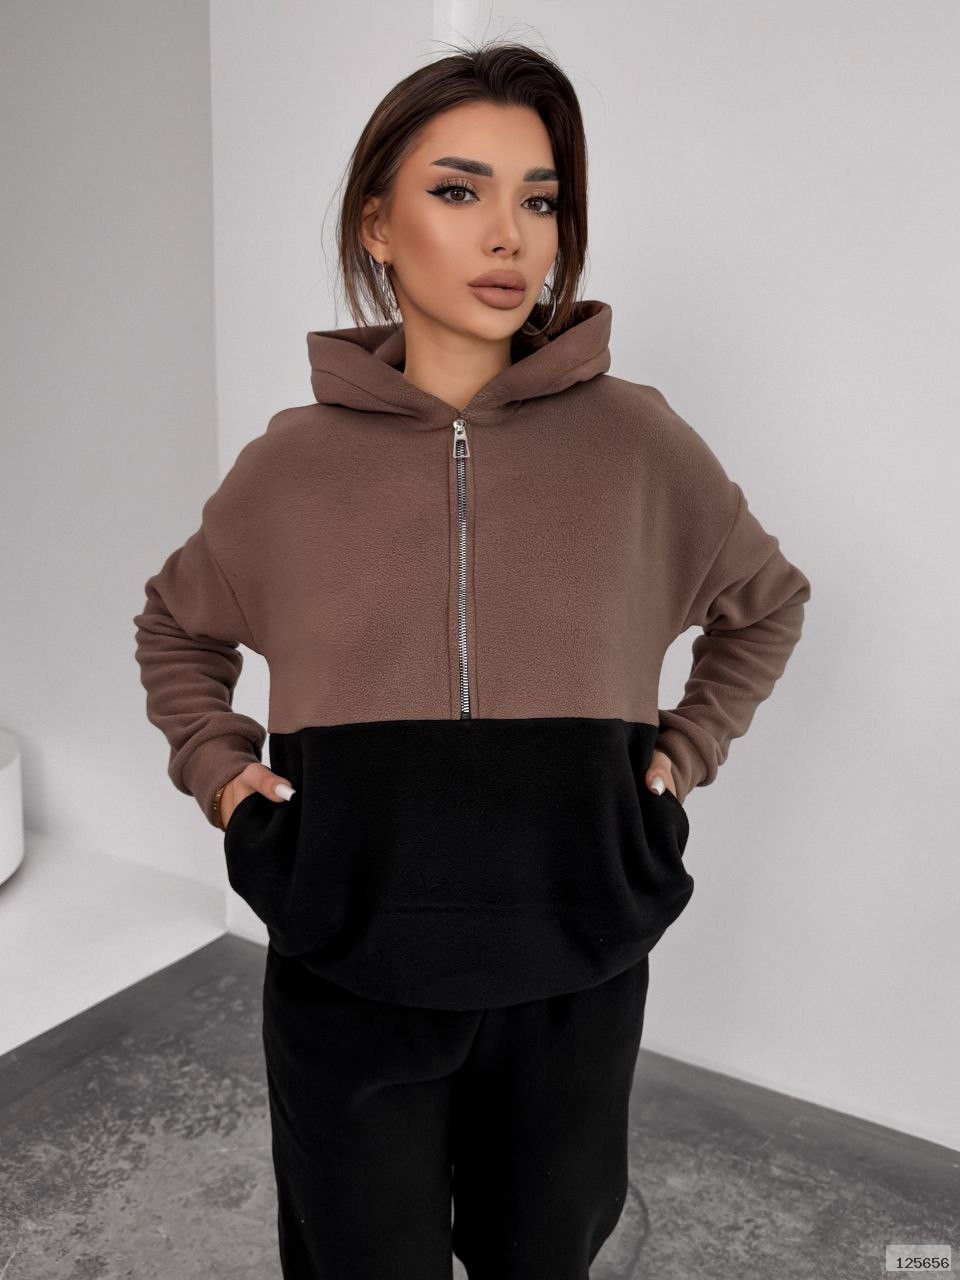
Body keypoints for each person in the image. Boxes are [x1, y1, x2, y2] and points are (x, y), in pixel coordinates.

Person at [133, 39, 811, 1280]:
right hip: (348, 958)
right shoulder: (290, 466)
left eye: (539, 199)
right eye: (459, 190)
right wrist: (222, 772)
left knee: (540, 1256)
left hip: (573, 965)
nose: (509, 234)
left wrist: (684, 752)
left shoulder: (637, 442)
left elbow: (765, 604)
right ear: (377, 226)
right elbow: (177, 624)